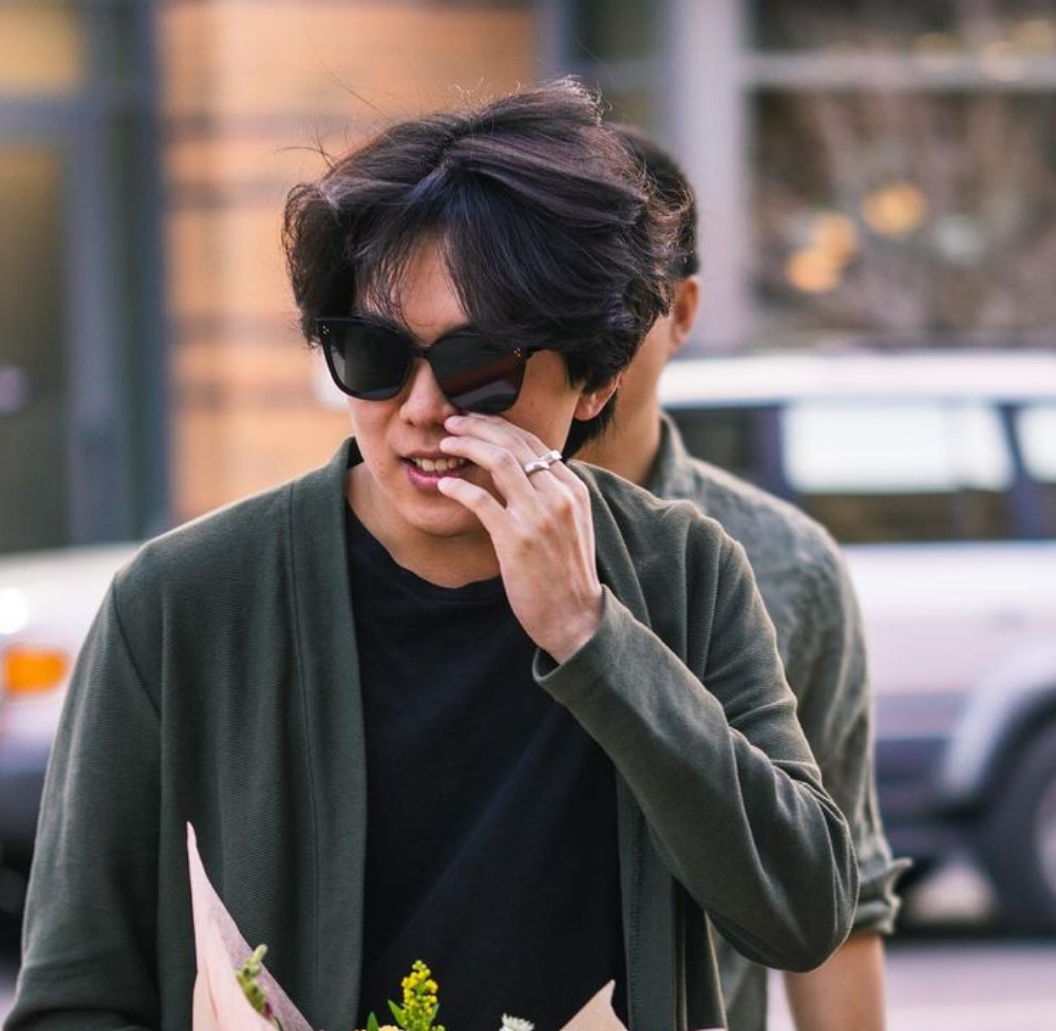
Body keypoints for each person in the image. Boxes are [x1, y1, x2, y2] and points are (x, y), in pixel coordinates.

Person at [6, 81, 857, 1031]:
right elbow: (76, 995)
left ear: (594, 379)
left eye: (477, 365)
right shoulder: (183, 601)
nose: (420, 409)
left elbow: (803, 913)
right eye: (373, 354)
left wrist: (593, 637)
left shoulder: (683, 572)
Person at [580, 126, 909, 1031]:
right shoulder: (434, 533)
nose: (577, 343)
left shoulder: (784, 564)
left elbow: (841, 899)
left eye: (610, 306)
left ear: (682, 312)